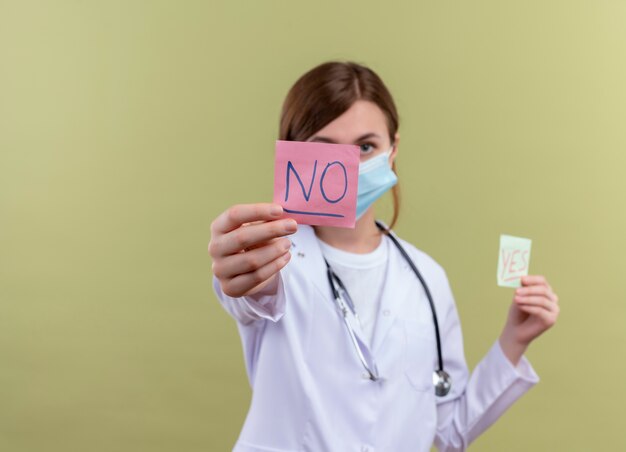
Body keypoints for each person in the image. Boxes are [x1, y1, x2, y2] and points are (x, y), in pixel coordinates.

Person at [208, 61, 560, 452]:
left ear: (393, 151)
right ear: (293, 157)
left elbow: (448, 431)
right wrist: (237, 273)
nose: (348, 168)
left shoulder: (427, 279)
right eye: (325, 150)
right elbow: (250, 294)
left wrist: (514, 340)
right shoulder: (272, 262)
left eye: (365, 147)